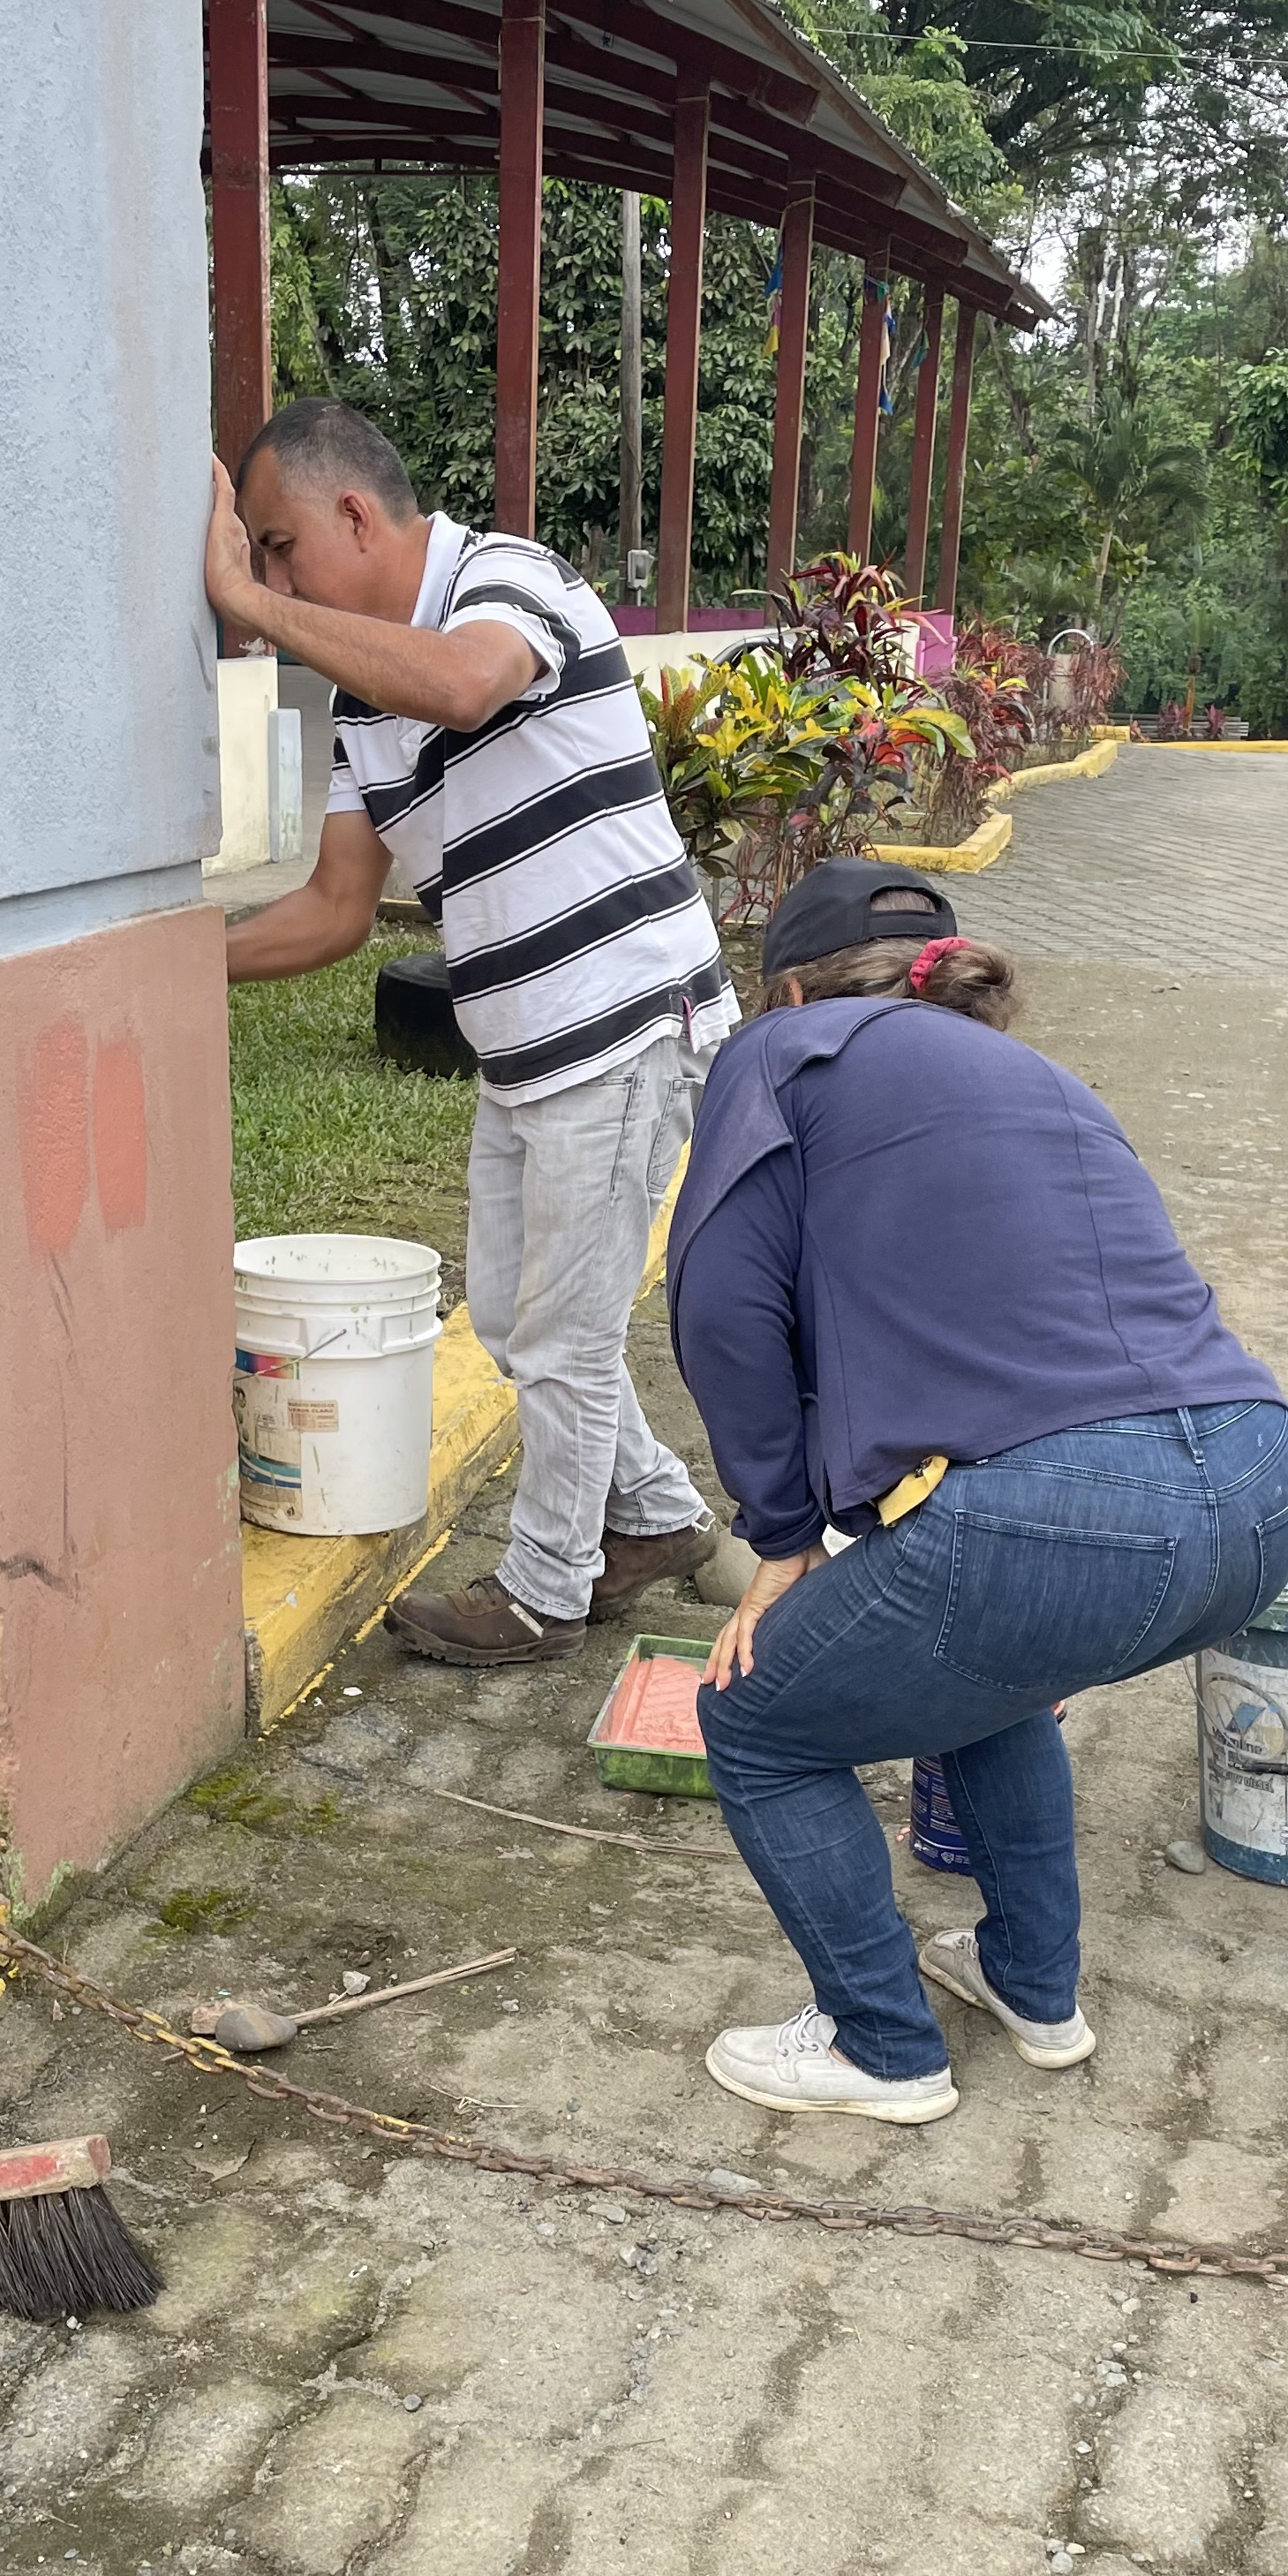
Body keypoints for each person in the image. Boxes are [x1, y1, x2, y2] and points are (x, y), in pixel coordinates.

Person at [667, 859, 1288, 2123]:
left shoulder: (784, 1050)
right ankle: (1032, 1987)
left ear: (788, 988)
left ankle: (880, 2047)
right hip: (1259, 1490)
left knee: (756, 1725)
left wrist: (783, 1534)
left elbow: (722, 1307)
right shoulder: (1040, 1077)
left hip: (1055, 1515)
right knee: (981, 1679)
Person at [204, 401, 734, 1666]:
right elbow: (335, 910)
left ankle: (546, 1591)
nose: (275, 577)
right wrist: (167, 968)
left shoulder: (506, 579)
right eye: (260, 557)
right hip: (525, 1052)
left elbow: (460, 684)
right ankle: (657, 1520)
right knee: (506, 1313)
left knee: (564, 1335)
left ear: (353, 513)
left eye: (280, 547)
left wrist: (246, 604)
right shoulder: (359, 702)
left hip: (620, 1024)